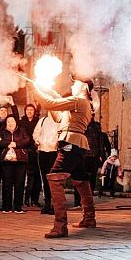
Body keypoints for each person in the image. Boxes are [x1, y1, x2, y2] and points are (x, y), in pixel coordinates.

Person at [32, 77, 97, 238]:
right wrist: (51, 93)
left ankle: (60, 226)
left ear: (83, 87)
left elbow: (50, 104)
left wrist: (35, 89)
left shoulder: (79, 101)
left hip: (70, 144)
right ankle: (89, 218)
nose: (73, 85)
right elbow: (58, 117)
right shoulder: (80, 104)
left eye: (75, 83)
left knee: (55, 177)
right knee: (81, 179)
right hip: (76, 144)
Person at [0, 116, 30, 214]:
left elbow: (27, 140)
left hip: (21, 160)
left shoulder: (22, 130)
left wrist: (16, 144)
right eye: (8, 121)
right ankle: (6, 207)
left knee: (19, 183)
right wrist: (9, 143)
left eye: (12, 121)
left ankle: (18, 206)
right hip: (7, 161)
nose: (10, 123)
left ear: (16, 122)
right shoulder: (2, 131)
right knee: (7, 183)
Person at [33, 110, 61, 215]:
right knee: (44, 178)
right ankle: (47, 203)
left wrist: (57, 143)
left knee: (54, 178)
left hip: (54, 152)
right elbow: (36, 133)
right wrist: (37, 140)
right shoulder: (42, 120)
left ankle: (55, 204)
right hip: (43, 152)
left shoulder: (60, 122)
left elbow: (62, 134)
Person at [18, 104, 41, 208]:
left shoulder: (38, 121)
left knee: (37, 176)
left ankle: (35, 200)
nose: (29, 112)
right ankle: (26, 199)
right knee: (29, 176)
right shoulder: (22, 122)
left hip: (37, 151)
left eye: (32, 110)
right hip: (26, 151)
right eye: (28, 110)